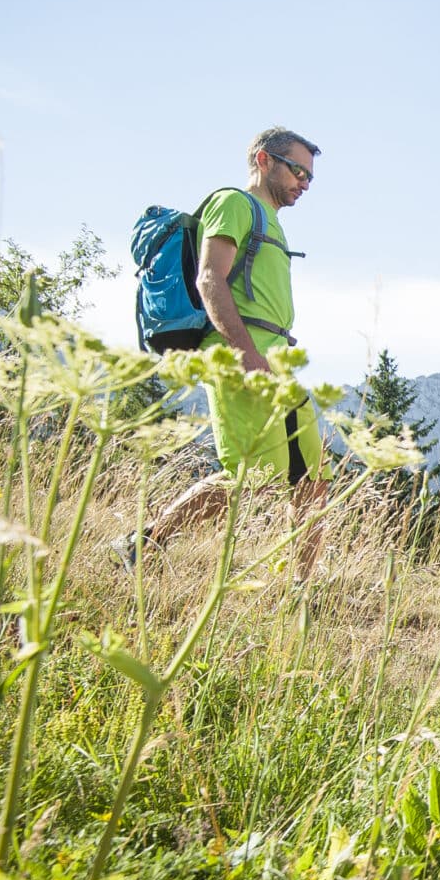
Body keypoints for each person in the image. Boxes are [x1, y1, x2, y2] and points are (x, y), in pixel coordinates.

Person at [113, 127, 330, 583]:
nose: (304, 183)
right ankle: (145, 539)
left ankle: (303, 589)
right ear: (263, 160)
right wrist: (245, 354)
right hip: (240, 356)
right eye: (297, 171)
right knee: (251, 475)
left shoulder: (273, 221)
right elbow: (210, 279)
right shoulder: (234, 203)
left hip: (276, 360)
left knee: (312, 478)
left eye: (309, 177)